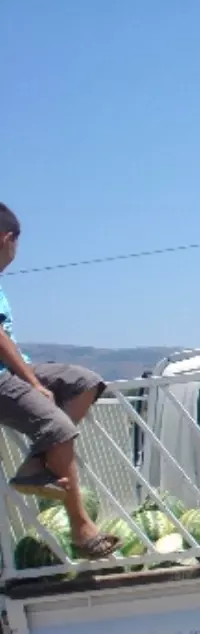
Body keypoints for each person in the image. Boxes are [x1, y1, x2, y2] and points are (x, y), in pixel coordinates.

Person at [0, 202, 119, 558]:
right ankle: (82, 529)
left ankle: (35, 464)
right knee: (58, 426)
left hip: (11, 371)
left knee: (86, 382)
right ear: (7, 239)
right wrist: (33, 383)